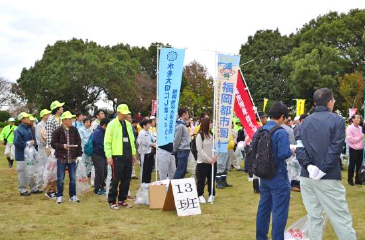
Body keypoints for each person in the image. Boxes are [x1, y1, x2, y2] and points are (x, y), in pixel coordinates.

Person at [295, 88, 356, 240]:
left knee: (314, 217)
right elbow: (335, 148)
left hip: (307, 177)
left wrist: (309, 166)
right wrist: (321, 169)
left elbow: (300, 148)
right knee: (340, 218)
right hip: (326, 177)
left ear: (315, 103)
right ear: (330, 102)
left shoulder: (303, 123)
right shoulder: (337, 120)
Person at [256, 102, 293, 240]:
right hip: (278, 174)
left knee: (264, 208)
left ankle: (260, 237)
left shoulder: (260, 130)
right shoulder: (280, 132)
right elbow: (284, 153)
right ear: (282, 116)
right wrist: (292, 151)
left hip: (263, 174)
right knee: (279, 211)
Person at [104, 104, 136, 210]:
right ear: (118, 113)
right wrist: (109, 156)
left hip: (127, 154)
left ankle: (122, 199)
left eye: (126, 113)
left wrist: (133, 153)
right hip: (117, 155)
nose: (125, 115)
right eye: (124, 113)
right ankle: (112, 200)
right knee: (115, 179)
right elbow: (107, 142)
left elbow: (132, 140)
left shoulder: (128, 124)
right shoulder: (112, 124)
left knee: (126, 179)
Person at [51, 111, 82, 204]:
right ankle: (59, 195)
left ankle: (72, 195)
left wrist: (79, 155)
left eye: (72, 119)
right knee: (60, 178)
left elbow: (78, 142)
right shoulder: (58, 131)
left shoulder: (74, 130)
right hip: (61, 158)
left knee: (73, 178)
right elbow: (53, 143)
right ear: (64, 120)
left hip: (72, 158)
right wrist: (62, 146)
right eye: (69, 119)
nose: (72, 120)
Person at [14, 112, 42, 196]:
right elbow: (16, 142)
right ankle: (22, 190)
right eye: (26, 118)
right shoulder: (18, 130)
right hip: (21, 156)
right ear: (22, 119)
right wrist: (27, 144)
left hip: (29, 155)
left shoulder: (28, 129)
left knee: (31, 171)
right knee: (22, 173)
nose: (29, 119)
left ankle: (34, 188)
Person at [45, 100, 64, 199]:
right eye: (61, 107)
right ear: (57, 109)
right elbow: (49, 135)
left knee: (58, 170)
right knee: (51, 170)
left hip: (60, 147)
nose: (62, 108)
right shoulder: (51, 120)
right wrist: (49, 148)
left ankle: (56, 189)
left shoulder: (61, 119)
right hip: (53, 148)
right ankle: (49, 190)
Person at [196, 118, 217, 204]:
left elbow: (215, 147)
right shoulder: (200, 136)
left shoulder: (212, 135)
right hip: (203, 162)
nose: (212, 125)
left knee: (211, 179)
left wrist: (215, 157)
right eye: (210, 123)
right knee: (201, 180)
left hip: (213, 162)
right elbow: (200, 150)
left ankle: (212, 194)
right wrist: (208, 159)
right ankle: (200, 195)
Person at [92, 118, 110, 195]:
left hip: (103, 154)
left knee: (104, 171)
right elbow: (100, 145)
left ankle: (102, 187)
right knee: (99, 172)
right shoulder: (98, 132)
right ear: (104, 125)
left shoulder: (103, 131)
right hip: (97, 154)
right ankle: (97, 188)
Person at [35, 109, 52, 189]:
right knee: (42, 166)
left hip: (48, 148)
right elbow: (40, 138)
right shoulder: (39, 125)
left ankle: (46, 183)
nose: (49, 116)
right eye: (47, 114)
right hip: (42, 148)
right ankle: (39, 184)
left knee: (48, 166)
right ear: (43, 116)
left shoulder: (48, 124)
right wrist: (48, 144)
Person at [346, 114, 364, 186]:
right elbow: (350, 139)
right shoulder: (349, 128)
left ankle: (358, 179)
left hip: (360, 149)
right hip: (353, 149)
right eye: (357, 118)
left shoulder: (361, 128)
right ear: (353, 119)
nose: (359, 119)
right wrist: (360, 137)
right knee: (352, 165)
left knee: (359, 165)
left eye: (359, 118)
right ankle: (350, 179)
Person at [173, 107, 191, 179]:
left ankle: (177, 186)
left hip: (185, 149)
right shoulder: (180, 125)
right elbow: (177, 139)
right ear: (184, 114)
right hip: (182, 150)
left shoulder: (182, 124)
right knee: (180, 170)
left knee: (183, 170)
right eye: (187, 114)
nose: (188, 115)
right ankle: (173, 186)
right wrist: (175, 149)